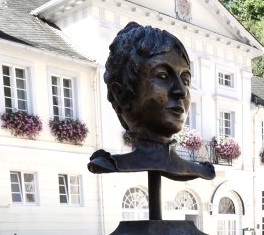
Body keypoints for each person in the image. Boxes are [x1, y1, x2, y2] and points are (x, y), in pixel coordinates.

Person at [88, 22, 215, 182]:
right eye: (162, 76)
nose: (181, 90)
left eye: (185, 79)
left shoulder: (200, 170)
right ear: (120, 94)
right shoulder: (107, 163)